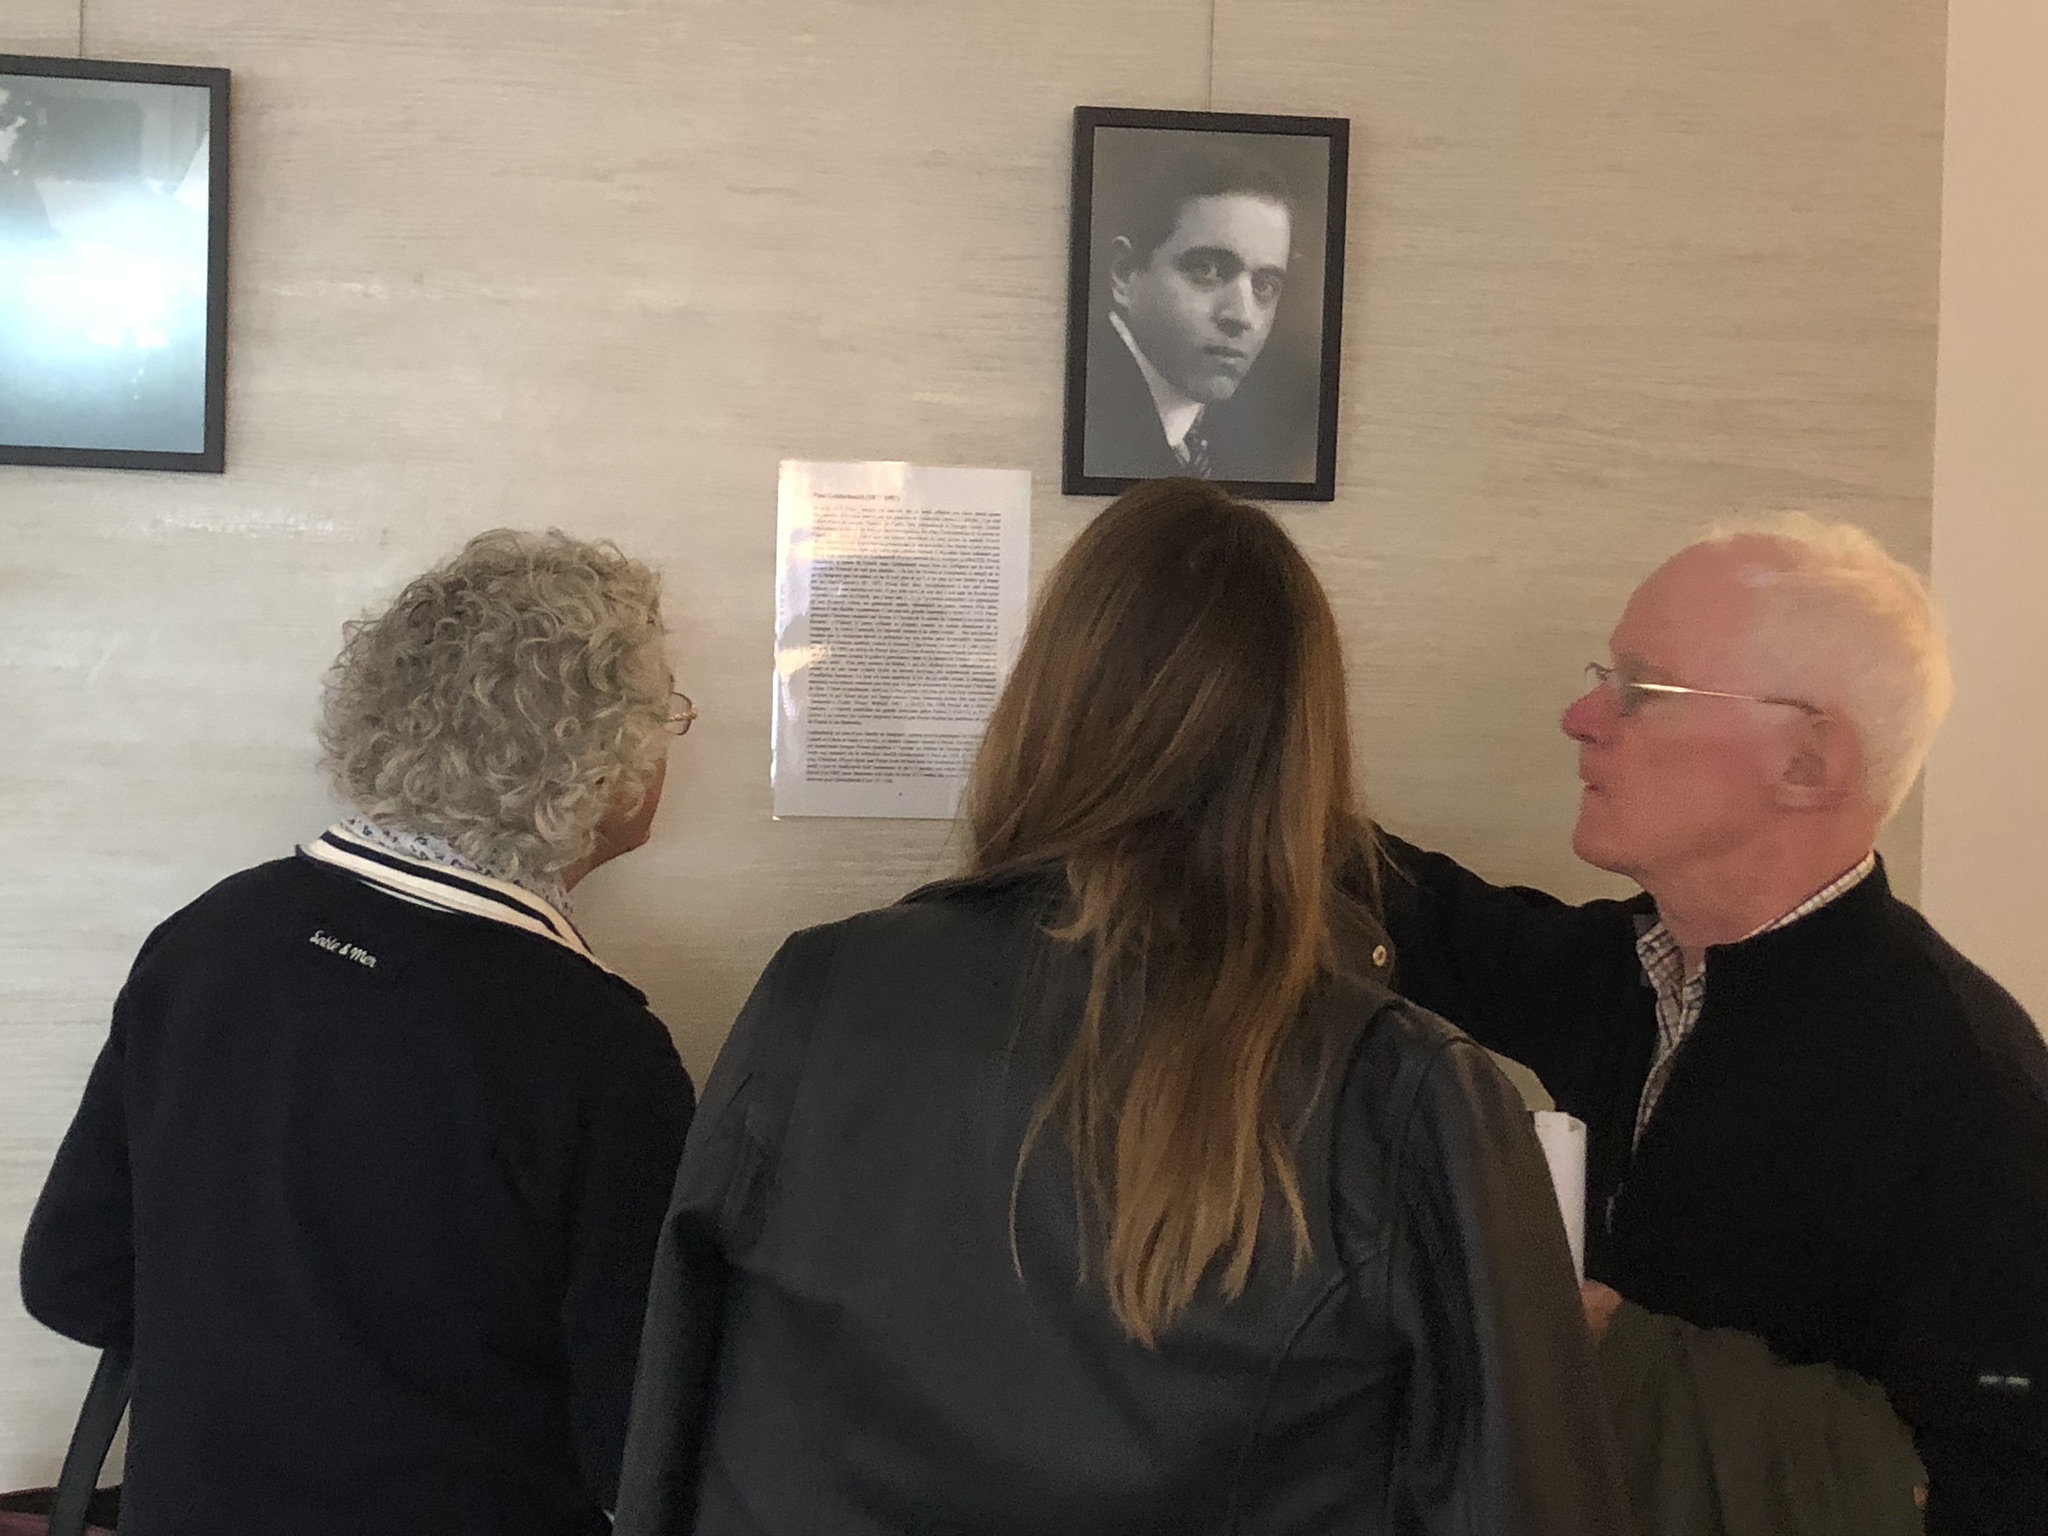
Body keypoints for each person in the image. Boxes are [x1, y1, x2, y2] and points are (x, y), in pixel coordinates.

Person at [613, 479, 1631, 1535]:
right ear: (1305, 746)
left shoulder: (818, 995)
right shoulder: (1402, 1095)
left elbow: (677, 1422)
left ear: (1040, 702)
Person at [20, 530, 698, 1536]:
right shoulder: (601, 1053)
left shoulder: (212, 935)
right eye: (667, 715)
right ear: (605, 770)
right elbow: (631, 1443)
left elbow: (71, 1280)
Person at [1380, 515, 2048, 1534]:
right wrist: (1225, 788)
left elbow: (1999, 1482)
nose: (1578, 717)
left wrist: (1625, 1359)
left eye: (1641, 690)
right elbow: (1434, 922)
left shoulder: (1969, 1093)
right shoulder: (1642, 971)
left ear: (1806, 764)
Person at [1080, 144, 1316, 483]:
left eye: (1265, 285)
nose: (1241, 316)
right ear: (1124, 273)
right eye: (1207, 270)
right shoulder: (1089, 418)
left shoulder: (1252, 435)